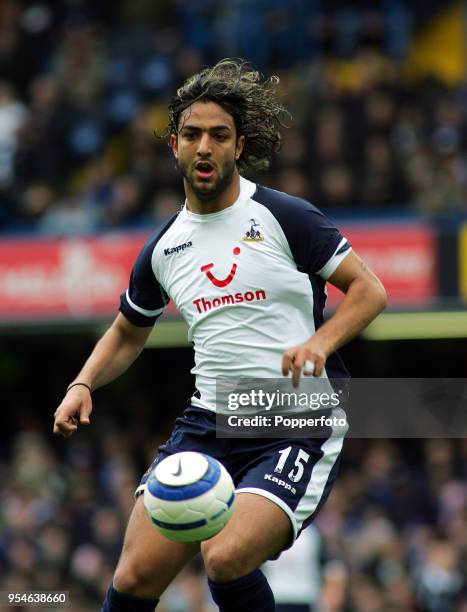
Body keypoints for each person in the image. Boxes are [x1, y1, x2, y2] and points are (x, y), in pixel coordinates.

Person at [53, 59, 387, 612]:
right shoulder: (163, 247)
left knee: (226, 559)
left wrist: (320, 344)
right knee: (133, 577)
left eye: (218, 135)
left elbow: (370, 290)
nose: (204, 147)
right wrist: (83, 382)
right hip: (209, 420)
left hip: (294, 418)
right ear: (174, 147)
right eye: (191, 135)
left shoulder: (285, 216)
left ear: (239, 146)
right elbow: (127, 332)